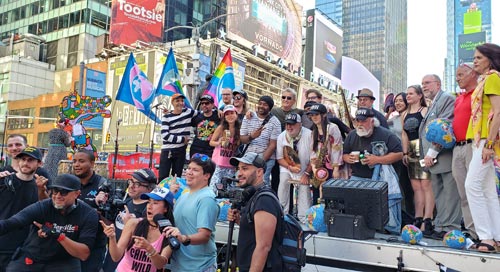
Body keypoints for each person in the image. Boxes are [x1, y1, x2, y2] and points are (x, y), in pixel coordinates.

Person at [0, 174, 99, 271]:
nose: (58, 196)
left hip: (64, 261)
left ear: (77, 194)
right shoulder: (43, 207)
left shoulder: (88, 214)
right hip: (34, 257)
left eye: (64, 192)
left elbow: (83, 254)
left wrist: (57, 235)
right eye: (55, 191)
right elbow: (12, 222)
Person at [343, 108, 403, 233]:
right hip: (358, 177)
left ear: (372, 121)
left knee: (382, 209)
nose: (359, 124)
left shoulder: (385, 134)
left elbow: (399, 154)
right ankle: (360, 228)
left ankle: (387, 229)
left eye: (363, 121)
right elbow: (344, 154)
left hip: (380, 180)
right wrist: (348, 158)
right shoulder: (352, 135)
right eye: (357, 121)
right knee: (355, 207)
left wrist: (377, 159)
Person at [464, 43, 500, 252]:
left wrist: (489, 144)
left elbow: (498, 112)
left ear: (490, 59)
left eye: (478, 58)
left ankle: (486, 237)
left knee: (472, 185)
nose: (474, 61)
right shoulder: (484, 80)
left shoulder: (493, 78)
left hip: (487, 141)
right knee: (487, 190)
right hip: (481, 140)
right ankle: (495, 236)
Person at [418, 74, 461, 239]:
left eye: (427, 83)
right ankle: (441, 225)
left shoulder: (447, 99)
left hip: (443, 155)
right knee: (439, 193)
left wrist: (432, 152)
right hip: (434, 159)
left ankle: (450, 227)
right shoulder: (434, 102)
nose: (424, 86)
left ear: (438, 84)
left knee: (450, 193)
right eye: (422, 83)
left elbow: (445, 127)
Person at [227, 152, 283, 272]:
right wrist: (240, 220)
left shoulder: (264, 200)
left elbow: (263, 247)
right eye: (238, 169)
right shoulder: (256, 196)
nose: (239, 173)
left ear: (259, 172)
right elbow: (255, 231)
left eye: (245, 169)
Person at [164, 154, 219, 271]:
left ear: (206, 176)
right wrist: (170, 194)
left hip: (199, 266)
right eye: (188, 168)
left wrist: (183, 238)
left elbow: (204, 235)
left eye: (195, 170)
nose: (189, 172)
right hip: (179, 266)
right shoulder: (184, 195)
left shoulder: (206, 198)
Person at [101, 186, 175, 271]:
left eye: (155, 203)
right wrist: (112, 237)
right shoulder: (134, 223)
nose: (149, 206)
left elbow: (160, 265)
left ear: (166, 208)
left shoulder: (170, 232)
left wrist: (149, 248)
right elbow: (116, 257)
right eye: (148, 202)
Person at [101, 168, 158, 272]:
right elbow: (114, 227)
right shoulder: (125, 202)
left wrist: (131, 226)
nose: (131, 186)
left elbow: (151, 242)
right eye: (131, 181)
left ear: (150, 189)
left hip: (130, 266)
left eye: (137, 184)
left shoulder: (150, 211)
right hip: (111, 263)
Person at [0, 147, 47, 271]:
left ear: (39, 163)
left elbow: (46, 210)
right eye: (23, 159)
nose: (25, 163)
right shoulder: (4, 180)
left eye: (30, 160)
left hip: (23, 248)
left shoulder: (41, 187)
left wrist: (42, 190)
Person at [401, 85, 433, 234]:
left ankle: (428, 218)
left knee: (426, 185)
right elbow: (404, 134)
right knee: (416, 187)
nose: (408, 96)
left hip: (424, 148)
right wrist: (405, 152)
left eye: (411, 93)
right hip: (411, 151)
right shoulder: (404, 114)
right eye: (407, 94)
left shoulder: (425, 111)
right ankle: (418, 216)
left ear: (420, 96)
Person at [452, 62, 478, 240]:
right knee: (463, 193)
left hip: (474, 146)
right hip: (457, 147)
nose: (457, 78)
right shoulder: (459, 97)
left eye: (461, 74)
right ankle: (472, 231)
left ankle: (486, 232)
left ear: (473, 74)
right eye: (456, 75)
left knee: (477, 190)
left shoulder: (479, 93)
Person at [72, 149, 109, 272]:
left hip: (94, 245)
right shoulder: (70, 183)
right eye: (74, 161)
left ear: (92, 164)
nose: (76, 165)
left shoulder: (102, 185)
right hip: (71, 242)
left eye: (81, 161)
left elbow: (109, 221)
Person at [276, 113, 312, 221]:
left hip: (305, 168)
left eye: (292, 124)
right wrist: (289, 167)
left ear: (300, 124)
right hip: (287, 167)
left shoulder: (310, 135)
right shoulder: (282, 136)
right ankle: (282, 215)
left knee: (304, 190)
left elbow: (314, 159)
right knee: (283, 183)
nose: (289, 127)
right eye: (287, 124)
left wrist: (306, 174)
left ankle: (304, 219)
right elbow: (279, 158)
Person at [240, 95, 281, 185]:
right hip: (247, 157)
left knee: (260, 184)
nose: (261, 106)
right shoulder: (249, 116)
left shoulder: (275, 122)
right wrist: (251, 137)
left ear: (270, 108)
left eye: (265, 104)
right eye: (260, 103)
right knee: (244, 182)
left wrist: (259, 162)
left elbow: (272, 145)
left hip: (266, 159)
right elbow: (242, 139)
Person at [308, 103, 343, 202]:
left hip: (331, 166)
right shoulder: (313, 131)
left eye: (316, 114)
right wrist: (315, 169)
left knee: (330, 194)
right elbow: (312, 150)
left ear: (323, 115)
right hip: (319, 167)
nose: (314, 117)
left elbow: (337, 148)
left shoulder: (332, 128)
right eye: (312, 115)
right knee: (317, 195)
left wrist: (336, 168)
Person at [388, 92, 415, 220]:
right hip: (397, 159)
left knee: (411, 188)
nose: (398, 103)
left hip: (410, 156)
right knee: (401, 187)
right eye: (396, 101)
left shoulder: (411, 117)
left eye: (401, 100)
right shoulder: (393, 120)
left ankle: (414, 215)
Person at [160, 93, 198, 181]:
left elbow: (203, 113)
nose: (180, 103)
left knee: (177, 177)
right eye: (177, 101)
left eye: (182, 101)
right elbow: (165, 135)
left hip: (181, 150)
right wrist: (182, 139)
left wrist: (218, 111)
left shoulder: (188, 111)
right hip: (168, 150)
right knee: (163, 177)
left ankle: (175, 194)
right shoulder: (166, 117)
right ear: (172, 103)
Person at [209, 105, 241, 189]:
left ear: (236, 114)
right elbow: (211, 142)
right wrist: (218, 142)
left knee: (229, 189)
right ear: (224, 116)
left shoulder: (239, 129)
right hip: (219, 163)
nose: (230, 116)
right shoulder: (221, 128)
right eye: (227, 114)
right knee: (214, 188)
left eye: (232, 113)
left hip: (231, 165)